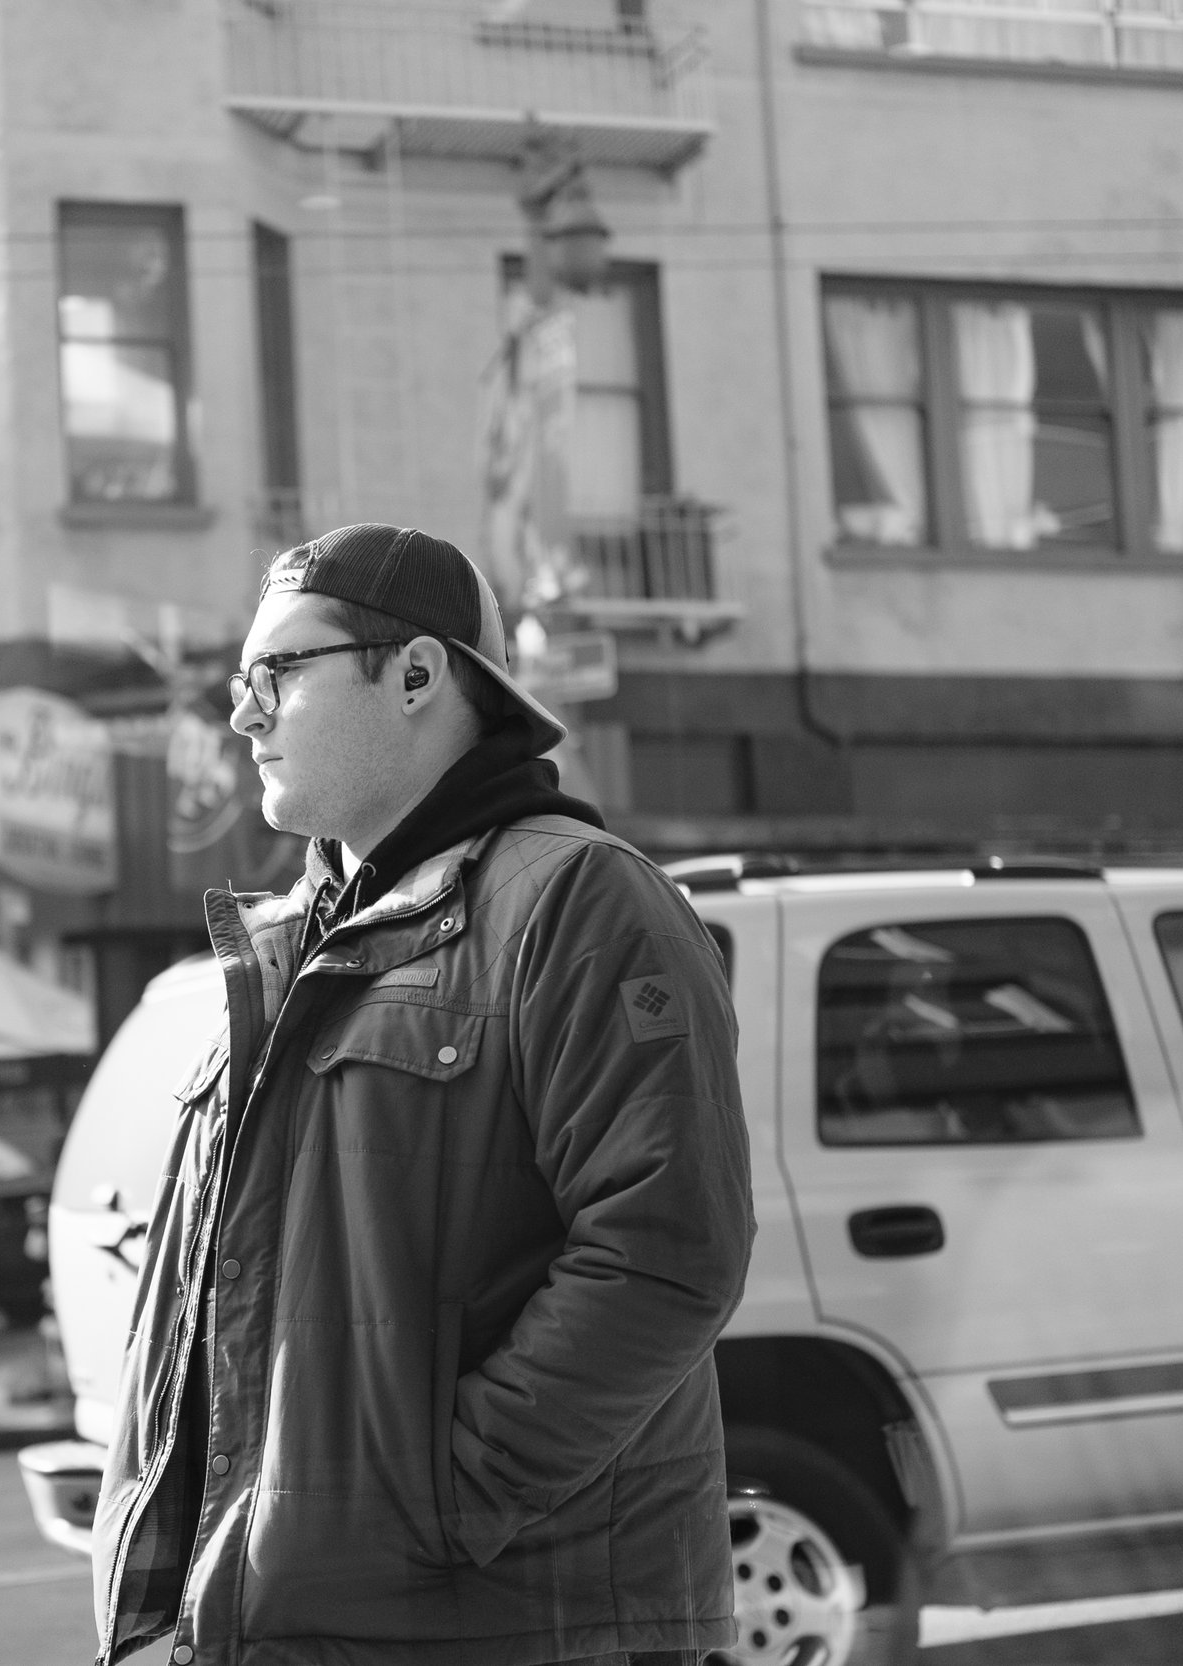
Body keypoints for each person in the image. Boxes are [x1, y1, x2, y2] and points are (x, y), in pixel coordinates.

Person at [91, 524, 755, 1666]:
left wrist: (448, 1498)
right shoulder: (289, 947)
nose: (243, 714)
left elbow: (667, 1249)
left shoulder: (578, 902)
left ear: (413, 674)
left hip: (506, 1628)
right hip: (292, 1625)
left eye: (275, 675)